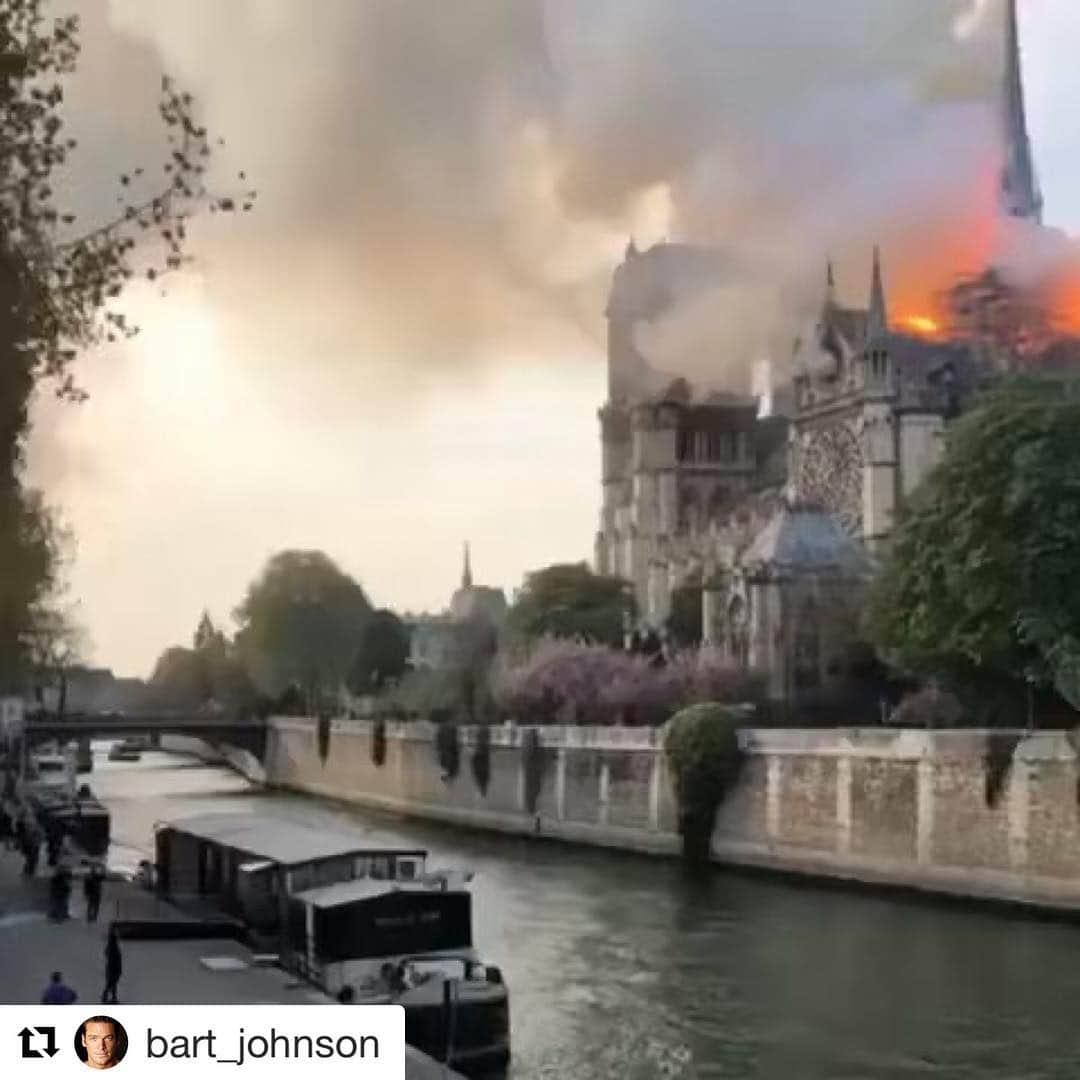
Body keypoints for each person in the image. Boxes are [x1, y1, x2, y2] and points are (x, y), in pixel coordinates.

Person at [101, 929, 122, 1004]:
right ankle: (107, 997)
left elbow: (106, 953)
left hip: (110, 968)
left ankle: (111, 997)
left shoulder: (110, 946)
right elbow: (116, 959)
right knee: (111, 983)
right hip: (114, 968)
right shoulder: (114, 947)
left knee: (111, 984)